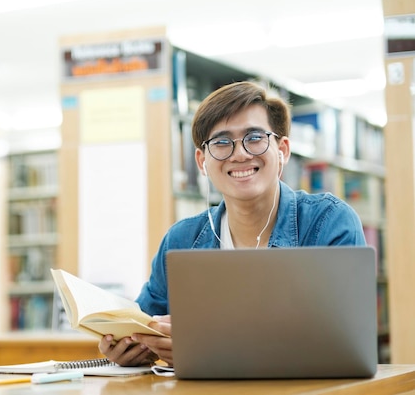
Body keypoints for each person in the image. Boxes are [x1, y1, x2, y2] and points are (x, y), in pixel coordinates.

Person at [98, 80, 366, 367]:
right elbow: (144, 325)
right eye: (222, 142)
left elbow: (343, 344)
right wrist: (130, 350)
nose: (239, 154)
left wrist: (207, 348)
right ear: (202, 162)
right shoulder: (182, 240)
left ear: (282, 150)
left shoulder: (329, 222)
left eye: (254, 138)